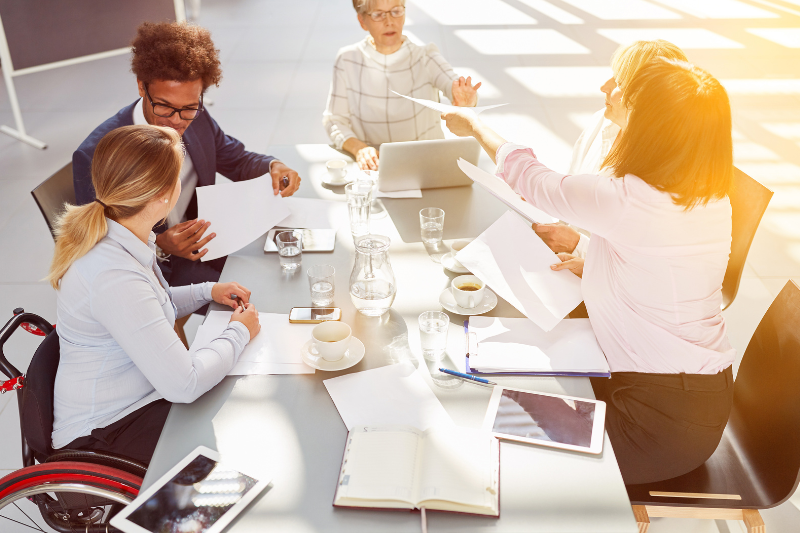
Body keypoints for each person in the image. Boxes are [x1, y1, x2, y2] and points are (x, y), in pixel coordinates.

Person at [442, 58, 735, 485]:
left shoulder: (628, 199)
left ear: (654, 127)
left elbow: (533, 179)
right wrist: (586, 251)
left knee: (501, 438)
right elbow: (653, 262)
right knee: (503, 391)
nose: (614, 97)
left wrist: (474, 123)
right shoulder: (709, 198)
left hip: (656, 426)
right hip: (692, 399)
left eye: (631, 99)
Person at [49, 125, 261, 466]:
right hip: (105, 433)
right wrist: (240, 331)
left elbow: (152, 306)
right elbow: (185, 385)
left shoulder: (124, 235)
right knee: (239, 440)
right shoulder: (112, 274)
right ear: (165, 194)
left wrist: (208, 291)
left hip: (137, 398)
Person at [73, 21, 302, 291]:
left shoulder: (198, 119)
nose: (176, 122)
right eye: (164, 107)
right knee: (256, 294)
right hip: (153, 270)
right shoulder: (97, 155)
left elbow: (236, 159)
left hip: (204, 241)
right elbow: (99, 243)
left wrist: (273, 166)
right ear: (140, 86)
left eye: (189, 108)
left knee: (285, 268)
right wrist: (159, 244)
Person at [535, 40, 688, 260]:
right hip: (564, 256)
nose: (604, 87)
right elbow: (571, 186)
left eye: (619, 81)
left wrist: (577, 246)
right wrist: (542, 197)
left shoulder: (664, 173)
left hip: (610, 280)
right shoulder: (603, 120)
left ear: (646, 99)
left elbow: (642, 264)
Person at [323, 0, 482, 170]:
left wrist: (466, 101)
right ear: (362, 21)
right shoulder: (347, 59)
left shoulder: (425, 56)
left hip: (428, 165)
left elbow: (452, 84)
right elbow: (334, 120)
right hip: (375, 167)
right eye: (378, 15)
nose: (389, 21)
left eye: (396, 11)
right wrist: (359, 149)